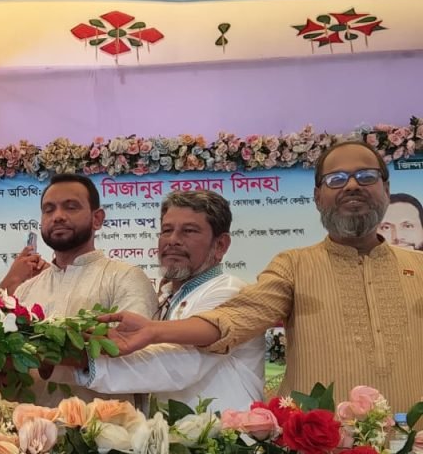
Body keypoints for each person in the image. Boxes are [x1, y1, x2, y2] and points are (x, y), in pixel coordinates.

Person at [102, 141, 423, 413]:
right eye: (336, 179)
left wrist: (152, 332)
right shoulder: (294, 265)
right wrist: (153, 331)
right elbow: (236, 318)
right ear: (317, 196)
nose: (352, 186)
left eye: (366, 176)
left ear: (386, 189)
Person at [0, 173, 157, 412]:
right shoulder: (26, 290)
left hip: (104, 430)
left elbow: (137, 361)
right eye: (49, 210)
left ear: (97, 219)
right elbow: (7, 378)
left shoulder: (125, 278)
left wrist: (46, 355)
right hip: (26, 430)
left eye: (71, 207)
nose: (58, 216)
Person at [80, 191, 265, 411]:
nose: (173, 241)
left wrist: (76, 360)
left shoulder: (230, 292)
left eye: (189, 231)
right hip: (177, 431)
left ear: (220, 245)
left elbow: (177, 365)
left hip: (228, 431)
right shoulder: (168, 295)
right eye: (167, 230)